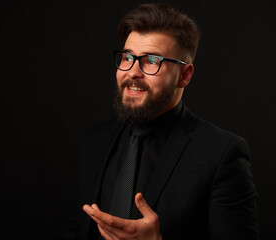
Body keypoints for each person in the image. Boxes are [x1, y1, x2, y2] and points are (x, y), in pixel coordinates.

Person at [63, 3, 258, 240]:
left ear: (184, 76)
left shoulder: (221, 154)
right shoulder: (96, 140)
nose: (133, 72)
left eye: (152, 61)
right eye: (127, 57)